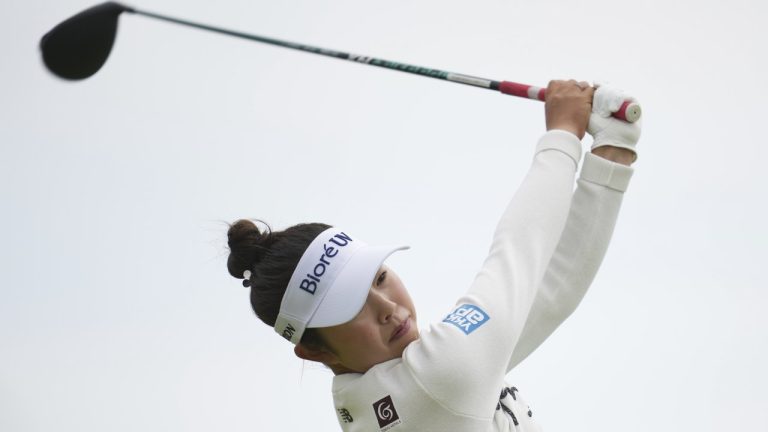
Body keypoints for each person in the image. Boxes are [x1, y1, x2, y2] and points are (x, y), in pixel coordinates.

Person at [226, 80, 641, 431]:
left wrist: (612, 150)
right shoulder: (436, 381)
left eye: (380, 278)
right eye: (352, 307)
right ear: (316, 351)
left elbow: (549, 293)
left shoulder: (397, 389)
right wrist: (563, 135)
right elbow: (517, 253)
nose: (387, 307)